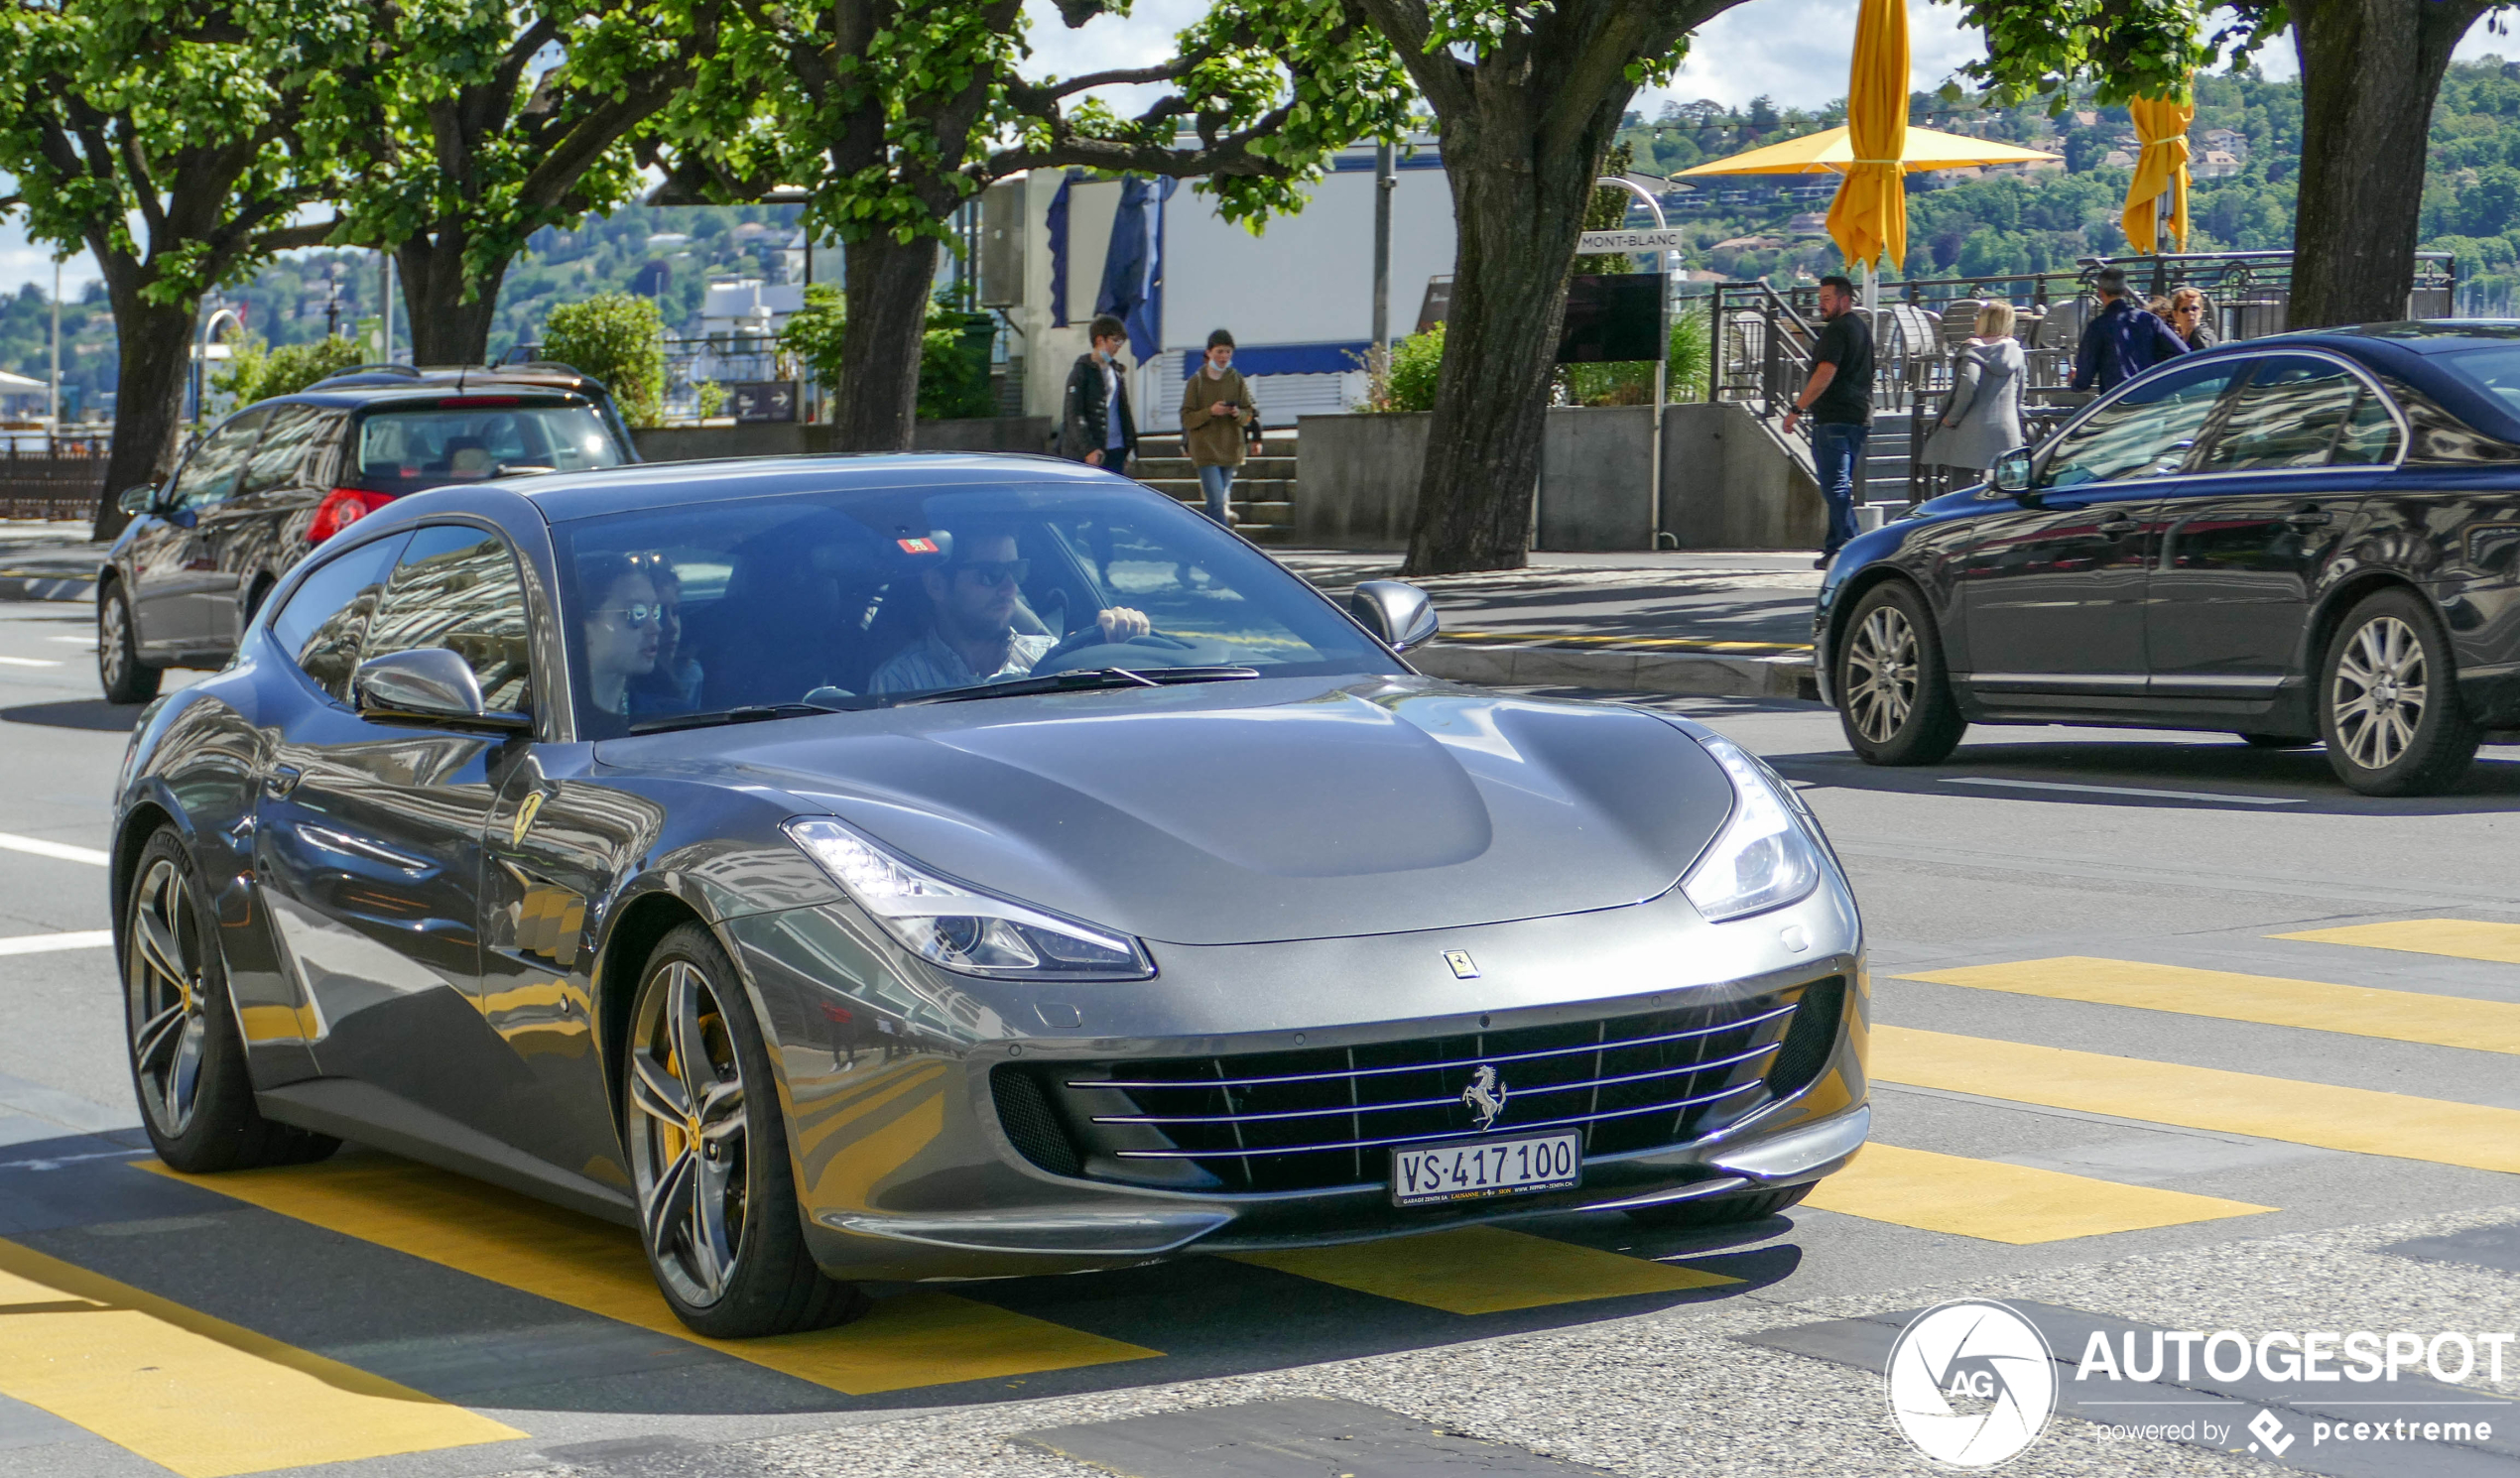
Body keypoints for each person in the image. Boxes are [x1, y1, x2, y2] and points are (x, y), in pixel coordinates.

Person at [868, 529, 1151, 695]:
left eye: (1016, 570)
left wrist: (1126, 642)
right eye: (990, 574)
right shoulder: (899, 681)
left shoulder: (1054, 659)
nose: (1009, 587)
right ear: (936, 585)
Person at [1780, 274, 1873, 569]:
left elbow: (1824, 374)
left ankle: (1853, 546)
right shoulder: (1860, 327)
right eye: (1820, 299)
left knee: (1834, 487)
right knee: (1838, 485)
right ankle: (1834, 548)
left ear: (1844, 299)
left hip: (1834, 417)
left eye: (1827, 299)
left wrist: (1796, 408)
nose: (1821, 305)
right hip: (1859, 416)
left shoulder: (1836, 330)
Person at [1924, 301, 2028, 476]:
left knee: (1960, 489)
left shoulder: (1973, 351)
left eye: (1978, 316)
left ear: (1986, 321)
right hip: (2007, 429)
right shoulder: (2017, 353)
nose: (1975, 320)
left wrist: (1951, 418)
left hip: (1970, 430)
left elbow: (1969, 385)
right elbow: (2020, 392)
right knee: (2005, 489)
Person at [1180, 328, 1259, 525]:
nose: (1224, 357)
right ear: (1209, 353)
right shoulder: (1196, 381)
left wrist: (1236, 413)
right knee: (1216, 501)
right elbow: (1186, 418)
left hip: (1231, 449)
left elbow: (1249, 413)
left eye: (1227, 352)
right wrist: (1210, 411)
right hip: (1205, 450)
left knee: (1218, 502)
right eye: (1219, 352)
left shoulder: (1236, 379)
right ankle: (1223, 546)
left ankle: (1204, 538)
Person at [2071, 265, 2188, 392]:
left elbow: (2084, 381)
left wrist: (2075, 381)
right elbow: (2183, 352)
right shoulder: (2149, 319)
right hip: (2149, 396)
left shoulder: (2097, 327)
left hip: (2118, 400)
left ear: (2101, 292)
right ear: (2125, 291)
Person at [578, 553, 661, 722]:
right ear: (584, 629)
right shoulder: (534, 726)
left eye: (655, 610)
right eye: (637, 613)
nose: (656, 628)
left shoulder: (672, 718)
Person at [1059, 314, 1138, 470]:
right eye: (1116, 341)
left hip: (1116, 448)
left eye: (1121, 342)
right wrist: (1088, 448)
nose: (1118, 347)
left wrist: (1130, 445)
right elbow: (1073, 413)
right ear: (1100, 340)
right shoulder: (1082, 371)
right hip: (1093, 451)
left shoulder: (1115, 370)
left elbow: (1123, 410)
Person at [628, 558, 703, 716]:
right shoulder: (621, 693)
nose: (672, 627)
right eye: (656, 613)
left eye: (675, 612)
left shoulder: (689, 673)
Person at [2168, 286, 2216, 350]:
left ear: (2200, 312)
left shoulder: (2202, 340)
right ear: (2175, 314)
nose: (2190, 313)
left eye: (2194, 309)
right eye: (2184, 310)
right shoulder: (2180, 339)